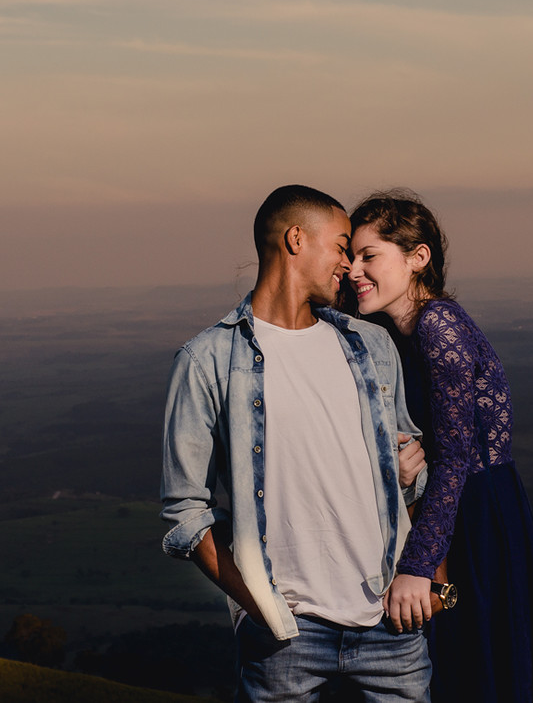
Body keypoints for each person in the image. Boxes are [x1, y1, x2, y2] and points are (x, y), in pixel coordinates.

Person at [160, 184, 433, 702]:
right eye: (341, 246)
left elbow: (415, 478)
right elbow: (185, 512)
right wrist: (261, 608)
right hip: (285, 637)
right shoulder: (207, 361)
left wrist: (426, 579)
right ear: (295, 240)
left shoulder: (371, 345)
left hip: (390, 626)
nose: (350, 265)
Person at [346, 190, 533, 703]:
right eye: (351, 257)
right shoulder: (396, 332)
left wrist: (418, 565)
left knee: (475, 671)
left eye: (370, 255)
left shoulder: (437, 326)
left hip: (476, 511)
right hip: (454, 506)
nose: (353, 270)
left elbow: (456, 457)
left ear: (418, 258)